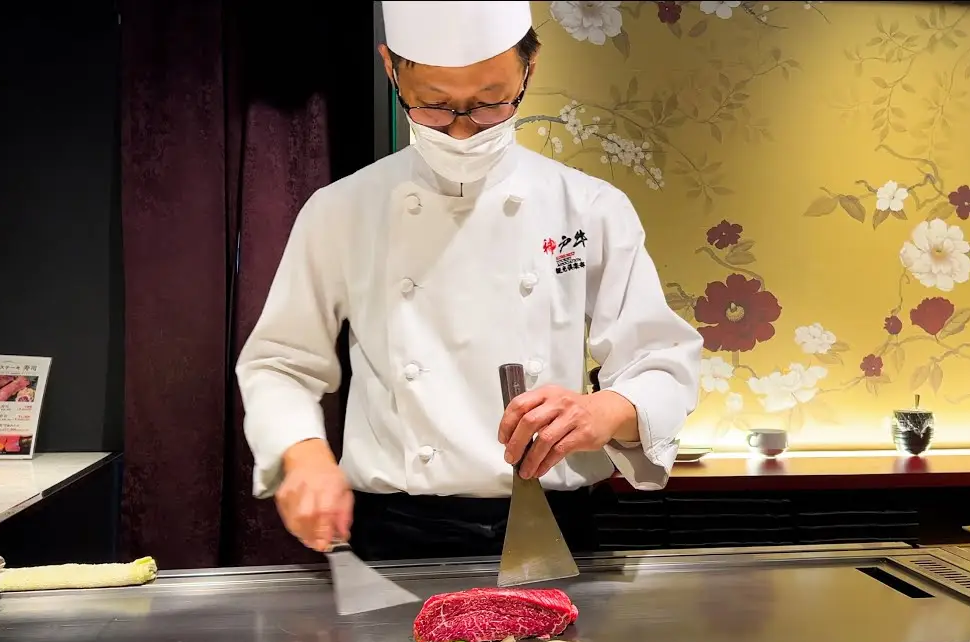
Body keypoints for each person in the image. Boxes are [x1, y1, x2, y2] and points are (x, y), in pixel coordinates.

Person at [235, 0, 702, 561]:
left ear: (529, 70)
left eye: (489, 103)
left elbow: (660, 361)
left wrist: (605, 412)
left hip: (553, 527)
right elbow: (280, 362)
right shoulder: (340, 210)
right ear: (391, 69)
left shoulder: (590, 208)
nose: (462, 130)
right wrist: (302, 449)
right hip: (396, 534)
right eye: (434, 105)